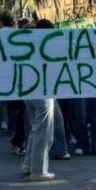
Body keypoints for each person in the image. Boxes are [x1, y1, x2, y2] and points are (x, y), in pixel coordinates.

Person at [20, 19, 58, 181]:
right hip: (42, 92)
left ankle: (29, 163)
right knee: (44, 132)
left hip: (29, 91)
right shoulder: (47, 46)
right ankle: (38, 170)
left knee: (36, 130)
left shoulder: (28, 44)